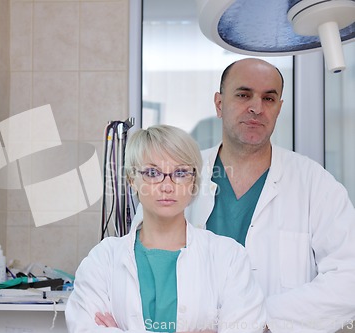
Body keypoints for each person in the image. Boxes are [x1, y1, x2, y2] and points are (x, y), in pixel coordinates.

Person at [133, 58, 355, 333]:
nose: (256, 108)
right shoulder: (177, 175)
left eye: (269, 98)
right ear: (219, 104)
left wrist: (258, 320)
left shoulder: (314, 183)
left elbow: (349, 277)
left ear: (279, 108)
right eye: (243, 94)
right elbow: (137, 265)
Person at [65, 124, 265, 333]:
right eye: (152, 172)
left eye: (180, 173)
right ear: (132, 180)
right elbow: (83, 326)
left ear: (193, 182)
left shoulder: (229, 258)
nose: (167, 185)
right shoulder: (103, 259)